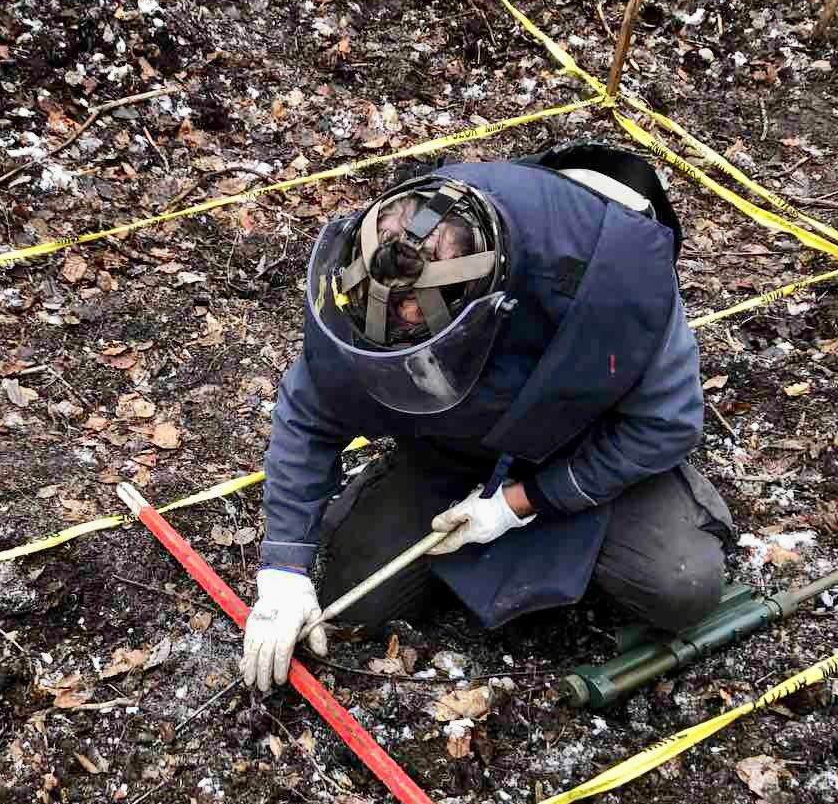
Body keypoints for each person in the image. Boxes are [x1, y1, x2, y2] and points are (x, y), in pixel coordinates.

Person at [239, 144, 735, 692]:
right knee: (354, 598)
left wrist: (518, 502)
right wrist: (283, 569)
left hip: (577, 443)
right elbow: (310, 414)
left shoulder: (612, 272)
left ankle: (598, 529)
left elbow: (665, 423)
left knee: (681, 585)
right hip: (451, 443)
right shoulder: (365, 279)